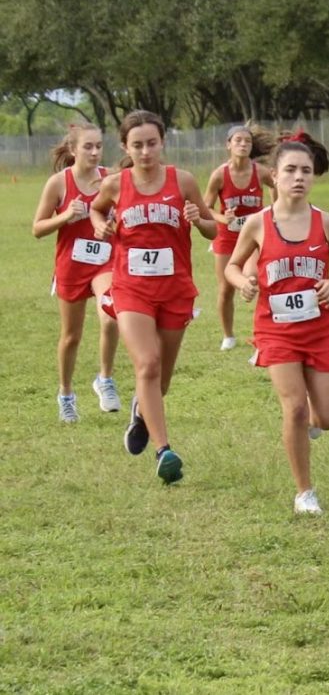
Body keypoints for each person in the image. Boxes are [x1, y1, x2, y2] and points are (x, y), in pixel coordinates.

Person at [225, 132, 329, 515]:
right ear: (274, 177)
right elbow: (233, 266)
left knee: (327, 418)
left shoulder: (326, 222)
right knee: (295, 408)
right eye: (290, 170)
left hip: (318, 329)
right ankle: (304, 492)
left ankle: (310, 428)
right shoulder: (258, 224)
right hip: (276, 329)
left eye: (305, 170)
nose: (299, 177)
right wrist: (244, 283)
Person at [90, 110, 217, 484]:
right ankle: (165, 451)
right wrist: (101, 226)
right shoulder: (116, 184)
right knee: (147, 364)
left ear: (162, 142)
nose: (145, 152)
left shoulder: (184, 181)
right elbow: (97, 211)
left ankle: (141, 409)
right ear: (126, 148)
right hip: (131, 288)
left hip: (175, 289)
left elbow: (212, 230)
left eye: (151, 143)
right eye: (137, 145)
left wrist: (198, 218)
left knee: (161, 380)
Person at [32, 123, 121, 422]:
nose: (95, 152)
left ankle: (105, 379)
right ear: (73, 150)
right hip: (71, 265)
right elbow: (37, 229)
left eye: (99, 146)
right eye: (88, 147)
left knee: (110, 315)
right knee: (71, 337)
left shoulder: (111, 179)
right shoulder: (58, 183)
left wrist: (113, 225)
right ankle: (66, 394)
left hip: (104, 262)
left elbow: (125, 215)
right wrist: (67, 216)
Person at [203, 124, 276, 351]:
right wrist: (223, 218)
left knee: (254, 277)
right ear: (229, 145)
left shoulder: (260, 172)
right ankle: (228, 336)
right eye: (238, 140)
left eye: (247, 141)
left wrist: (274, 210)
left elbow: (278, 187)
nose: (243, 144)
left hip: (255, 238)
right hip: (227, 238)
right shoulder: (219, 175)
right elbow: (207, 208)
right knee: (226, 288)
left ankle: (263, 333)